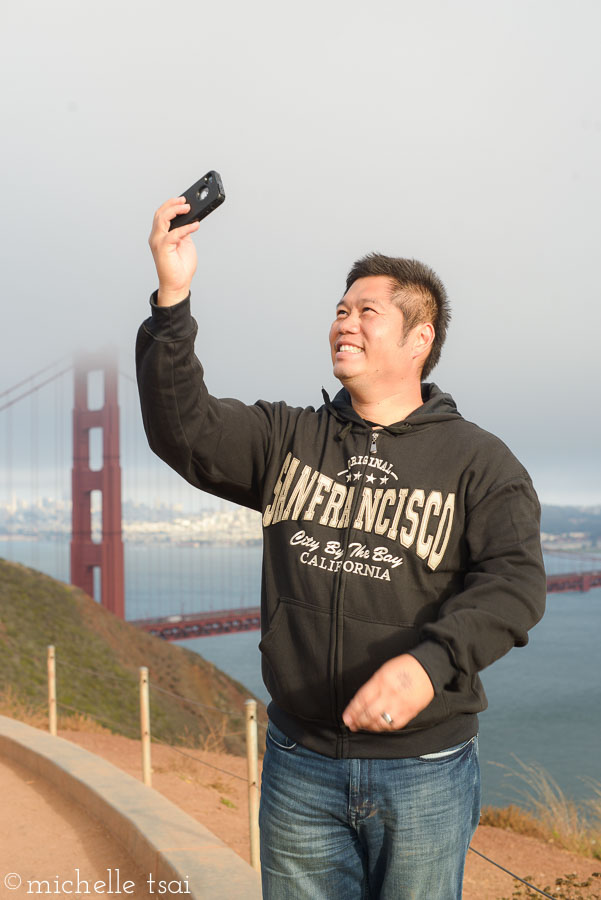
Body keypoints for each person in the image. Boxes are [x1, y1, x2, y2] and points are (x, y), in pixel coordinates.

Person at [136, 196, 547, 899]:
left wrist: (429, 665)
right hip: (300, 764)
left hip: (423, 770)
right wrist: (173, 298)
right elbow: (185, 430)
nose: (343, 322)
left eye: (366, 311)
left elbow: (514, 583)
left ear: (419, 339)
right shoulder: (285, 438)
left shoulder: (481, 461)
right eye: (338, 308)